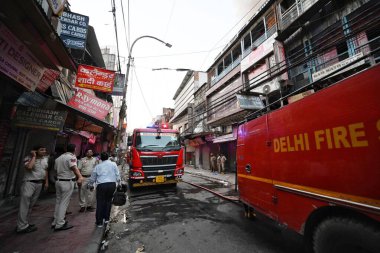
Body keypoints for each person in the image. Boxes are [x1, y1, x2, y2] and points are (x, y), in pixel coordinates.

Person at [16, 145, 49, 233]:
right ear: (35, 151)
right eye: (41, 150)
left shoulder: (45, 159)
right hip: (29, 183)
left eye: (44, 150)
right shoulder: (28, 158)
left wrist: (46, 182)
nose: (44, 151)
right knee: (24, 205)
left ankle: (25, 223)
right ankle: (21, 226)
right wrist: (34, 156)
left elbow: (45, 170)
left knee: (31, 205)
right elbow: (29, 167)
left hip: (39, 183)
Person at [52, 144, 84, 231]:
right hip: (66, 181)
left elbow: (55, 170)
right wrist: (80, 177)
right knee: (64, 203)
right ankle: (60, 223)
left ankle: (55, 221)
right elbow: (74, 167)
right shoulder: (71, 157)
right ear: (74, 149)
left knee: (58, 202)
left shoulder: (58, 158)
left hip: (58, 181)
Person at [88, 152, 121, 228]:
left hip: (101, 185)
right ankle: (106, 218)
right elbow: (117, 174)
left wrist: (90, 185)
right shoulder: (113, 164)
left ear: (101, 158)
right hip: (112, 184)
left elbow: (93, 177)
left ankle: (99, 222)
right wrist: (119, 183)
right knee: (108, 201)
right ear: (108, 157)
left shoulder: (98, 166)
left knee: (100, 202)